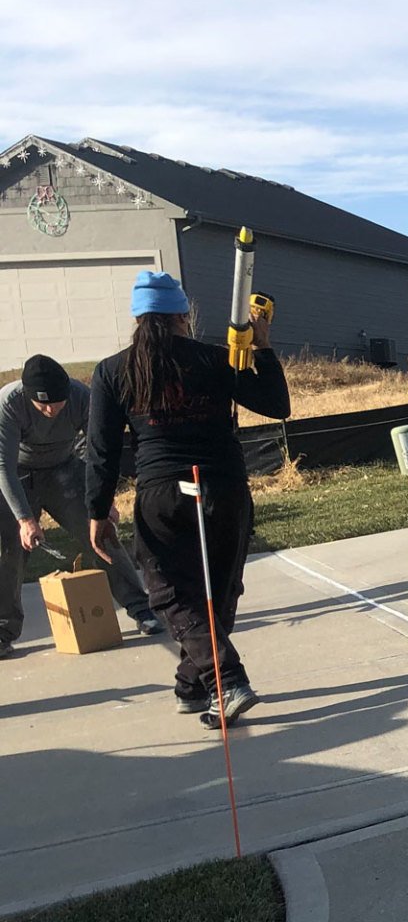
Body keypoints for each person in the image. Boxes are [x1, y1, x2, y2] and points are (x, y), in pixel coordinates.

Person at [86, 271, 290, 719]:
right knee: (218, 591)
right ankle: (192, 686)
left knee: (172, 594)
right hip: (224, 486)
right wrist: (263, 345)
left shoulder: (113, 370)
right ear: (183, 315)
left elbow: (101, 450)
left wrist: (97, 513)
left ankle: (226, 681)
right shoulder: (216, 359)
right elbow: (277, 406)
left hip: (162, 492)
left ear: (137, 318)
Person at [1, 356, 161, 658]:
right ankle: (3, 629)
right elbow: (3, 467)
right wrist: (24, 518)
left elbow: (99, 450)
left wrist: (103, 500)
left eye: (56, 403)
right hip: (17, 474)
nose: (51, 410)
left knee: (101, 533)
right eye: (43, 405)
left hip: (64, 470)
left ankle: (141, 609)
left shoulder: (81, 396)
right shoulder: (9, 404)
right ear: (27, 394)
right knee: (9, 548)